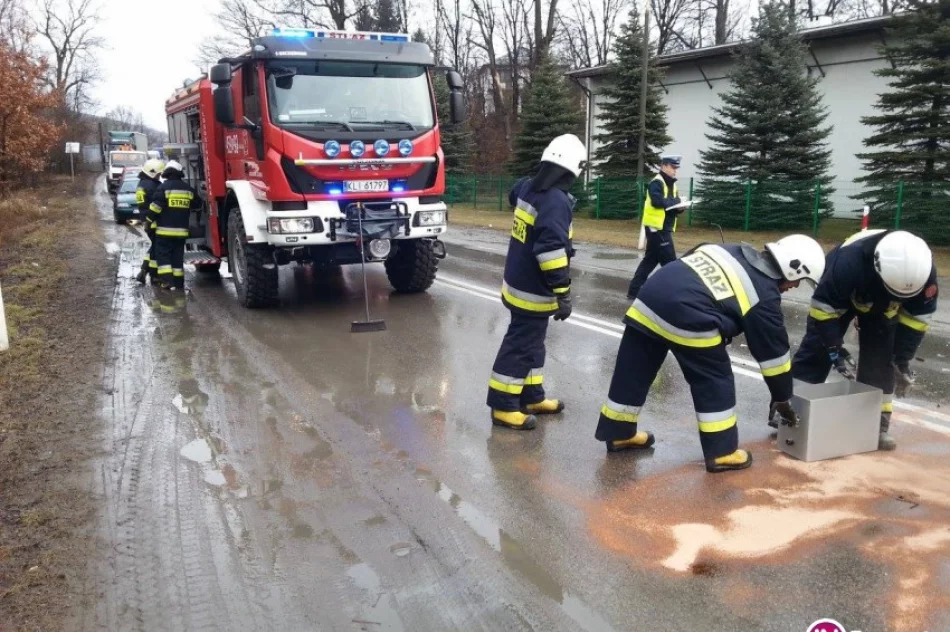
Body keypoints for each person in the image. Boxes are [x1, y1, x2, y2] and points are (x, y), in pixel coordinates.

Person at [595, 235, 826, 473]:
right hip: (688, 315)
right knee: (714, 379)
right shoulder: (763, 295)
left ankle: (619, 433)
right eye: (799, 280)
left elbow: (691, 259)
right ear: (791, 268)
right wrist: (783, 397)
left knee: (633, 372)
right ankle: (722, 452)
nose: (795, 286)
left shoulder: (731, 250)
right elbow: (774, 357)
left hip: (649, 299)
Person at [791, 229, 937, 450]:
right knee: (816, 349)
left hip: (883, 309)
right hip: (840, 299)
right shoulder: (847, 263)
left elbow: (916, 320)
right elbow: (823, 309)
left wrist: (902, 358)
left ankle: (875, 425)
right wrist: (834, 348)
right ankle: (790, 414)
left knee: (882, 361)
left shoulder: (924, 273)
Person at [486, 134, 586, 430]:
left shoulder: (529, 186)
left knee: (533, 343)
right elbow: (551, 252)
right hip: (533, 289)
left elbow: (514, 194)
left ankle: (532, 396)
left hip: (518, 281)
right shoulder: (555, 201)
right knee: (520, 345)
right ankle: (503, 406)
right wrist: (563, 292)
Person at [626, 154, 687, 300]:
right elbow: (657, 202)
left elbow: (670, 206)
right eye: (673, 167)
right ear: (663, 166)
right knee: (670, 263)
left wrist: (680, 207)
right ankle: (676, 296)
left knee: (649, 261)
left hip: (664, 228)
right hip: (656, 229)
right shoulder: (656, 182)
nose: (675, 170)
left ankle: (634, 291)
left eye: (676, 167)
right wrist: (677, 201)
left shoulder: (672, 184)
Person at [149, 161, 200, 291]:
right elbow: (198, 204)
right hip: (181, 233)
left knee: (163, 256)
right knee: (177, 258)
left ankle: (167, 281)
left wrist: (148, 220)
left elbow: (155, 208)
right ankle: (178, 283)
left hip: (164, 233)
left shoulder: (163, 188)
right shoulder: (188, 189)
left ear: (167, 173)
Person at [135, 158, 165, 284]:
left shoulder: (141, 184)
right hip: (153, 221)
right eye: (158, 174)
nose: (159, 176)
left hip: (146, 220)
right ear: (152, 172)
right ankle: (153, 275)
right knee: (157, 248)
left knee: (155, 246)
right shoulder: (153, 186)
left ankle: (144, 270)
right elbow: (159, 203)